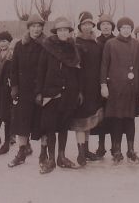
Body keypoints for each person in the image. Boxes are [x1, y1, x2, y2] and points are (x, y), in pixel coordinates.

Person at [35, 17, 81, 174]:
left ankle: (62, 157)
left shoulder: (73, 49)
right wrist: (39, 92)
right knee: (50, 127)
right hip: (51, 94)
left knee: (63, 126)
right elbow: (40, 71)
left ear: (69, 32)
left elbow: (77, 72)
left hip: (69, 93)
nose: (63, 33)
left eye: (66, 30)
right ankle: (51, 159)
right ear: (56, 32)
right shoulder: (47, 47)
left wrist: (78, 91)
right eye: (60, 30)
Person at [100, 16, 139, 164]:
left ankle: (130, 150)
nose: (126, 30)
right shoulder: (111, 44)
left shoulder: (137, 44)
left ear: (131, 29)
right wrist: (103, 85)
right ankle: (116, 150)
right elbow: (104, 65)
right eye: (123, 28)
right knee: (116, 120)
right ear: (119, 29)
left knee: (130, 120)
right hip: (115, 89)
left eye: (129, 28)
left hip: (131, 89)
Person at [8, 14, 45, 167]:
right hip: (23, 90)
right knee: (22, 122)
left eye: (39, 26)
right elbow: (13, 68)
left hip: (40, 91)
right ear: (28, 28)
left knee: (42, 123)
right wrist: (14, 87)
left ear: (42, 28)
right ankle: (22, 151)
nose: (36, 29)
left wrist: (42, 91)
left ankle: (44, 154)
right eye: (33, 26)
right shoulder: (19, 45)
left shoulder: (46, 44)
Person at [71, 11, 103, 166]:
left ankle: (87, 150)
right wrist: (78, 90)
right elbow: (74, 69)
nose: (87, 26)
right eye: (84, 24)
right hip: (80, 88)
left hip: (94, 88)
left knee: (89, 120)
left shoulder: (96, 44)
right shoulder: (75, 43)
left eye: (90, 24)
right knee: (80, 121)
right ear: (80, 26)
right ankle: (80, 153)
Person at [91, 14, 115, 158]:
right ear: (99, 27)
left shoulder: (117, 40)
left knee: (112, 116)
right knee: (101, 116)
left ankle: (114, 146)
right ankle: (101, 146)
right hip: (100, 83)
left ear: (112, 27)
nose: (106, 26)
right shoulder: (96, 41)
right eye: (103, 24)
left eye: (108, 24)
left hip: (115, 83)